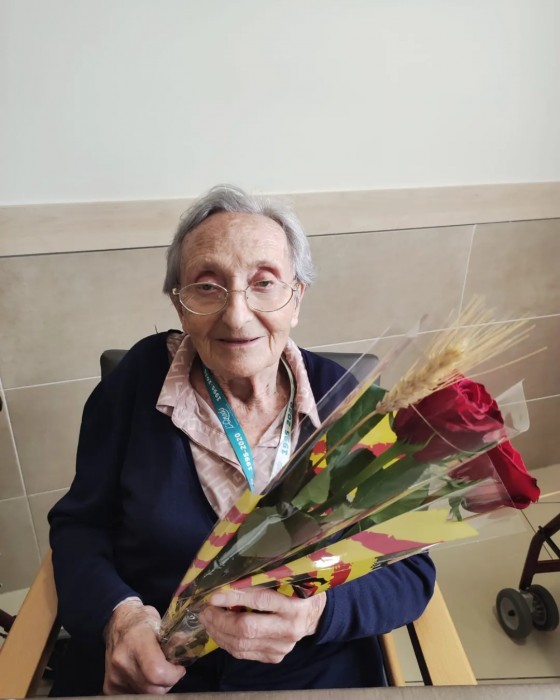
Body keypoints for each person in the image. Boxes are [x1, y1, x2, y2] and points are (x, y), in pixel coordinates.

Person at [48, 185, 436, 695]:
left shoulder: (351, 405)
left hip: (306, 674)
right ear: (180, 304)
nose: (236, 315)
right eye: (207, 286)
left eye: (264, 283)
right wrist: (118, 618)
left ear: (297, 297)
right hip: (154, 672)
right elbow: (79, 527)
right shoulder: (135, 383)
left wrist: (319, 612)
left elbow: (410, 569)